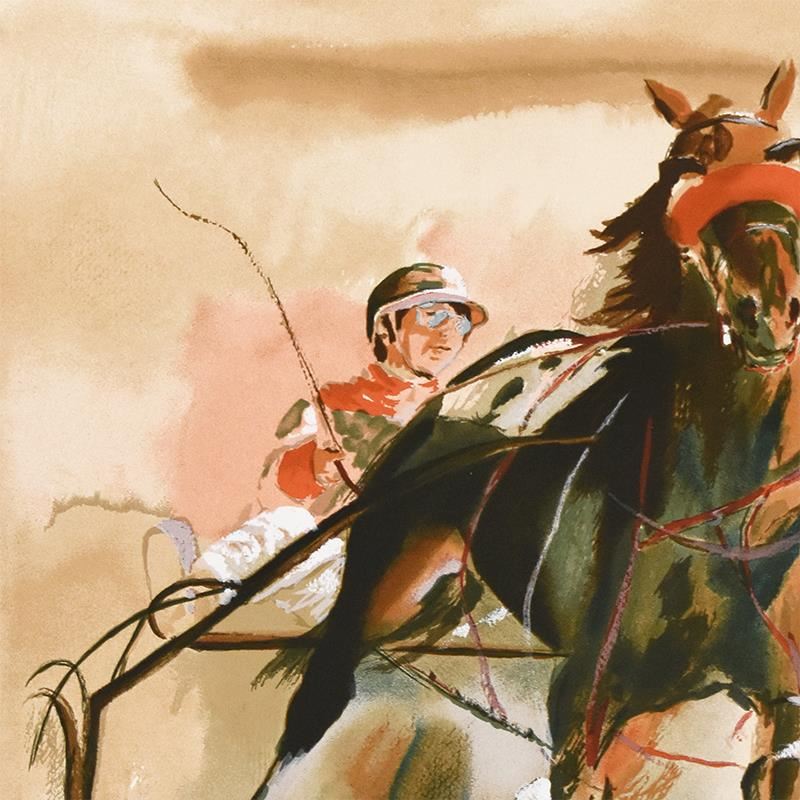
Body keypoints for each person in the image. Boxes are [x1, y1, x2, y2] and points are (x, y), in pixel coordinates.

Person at [146, 263, 487, 627]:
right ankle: (196, 594)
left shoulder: (458, 413)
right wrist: (313, 466)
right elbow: (274, 487)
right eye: (432, 315)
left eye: (461, 322)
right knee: (290, 522)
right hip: (328, 567)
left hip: (398, 580)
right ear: (386, 327)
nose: (449, 332)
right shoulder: (336, 402)